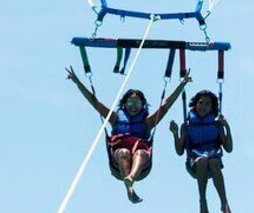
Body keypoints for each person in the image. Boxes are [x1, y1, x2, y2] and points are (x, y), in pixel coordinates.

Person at [66, 66, 191, 203]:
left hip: (142, 167)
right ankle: (129, 188)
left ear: (143, 106)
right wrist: (78, 82)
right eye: (130, 101)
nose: (133, 105)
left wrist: (182, 84)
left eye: (137, 102)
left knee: (140, 153)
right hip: (118, 163)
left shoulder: (147, 122)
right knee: (124, 152)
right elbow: (94, 101)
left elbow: (166, 105)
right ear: (124, 104)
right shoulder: (115, 118)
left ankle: (130, 178)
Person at [169, 90, 233, 213]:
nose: (203, 106)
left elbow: (229, 148)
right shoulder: (186, 126)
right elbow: (180, 151)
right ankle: (203, 201)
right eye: (201, 102)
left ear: (212, 108)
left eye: (207, 104)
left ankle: (224, 202)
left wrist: (227, 127)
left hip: (213, 159)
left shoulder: (216, 124)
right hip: (195, 162)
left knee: (214, 162)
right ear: (195, 105)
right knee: (203, 160)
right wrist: (175, 133)